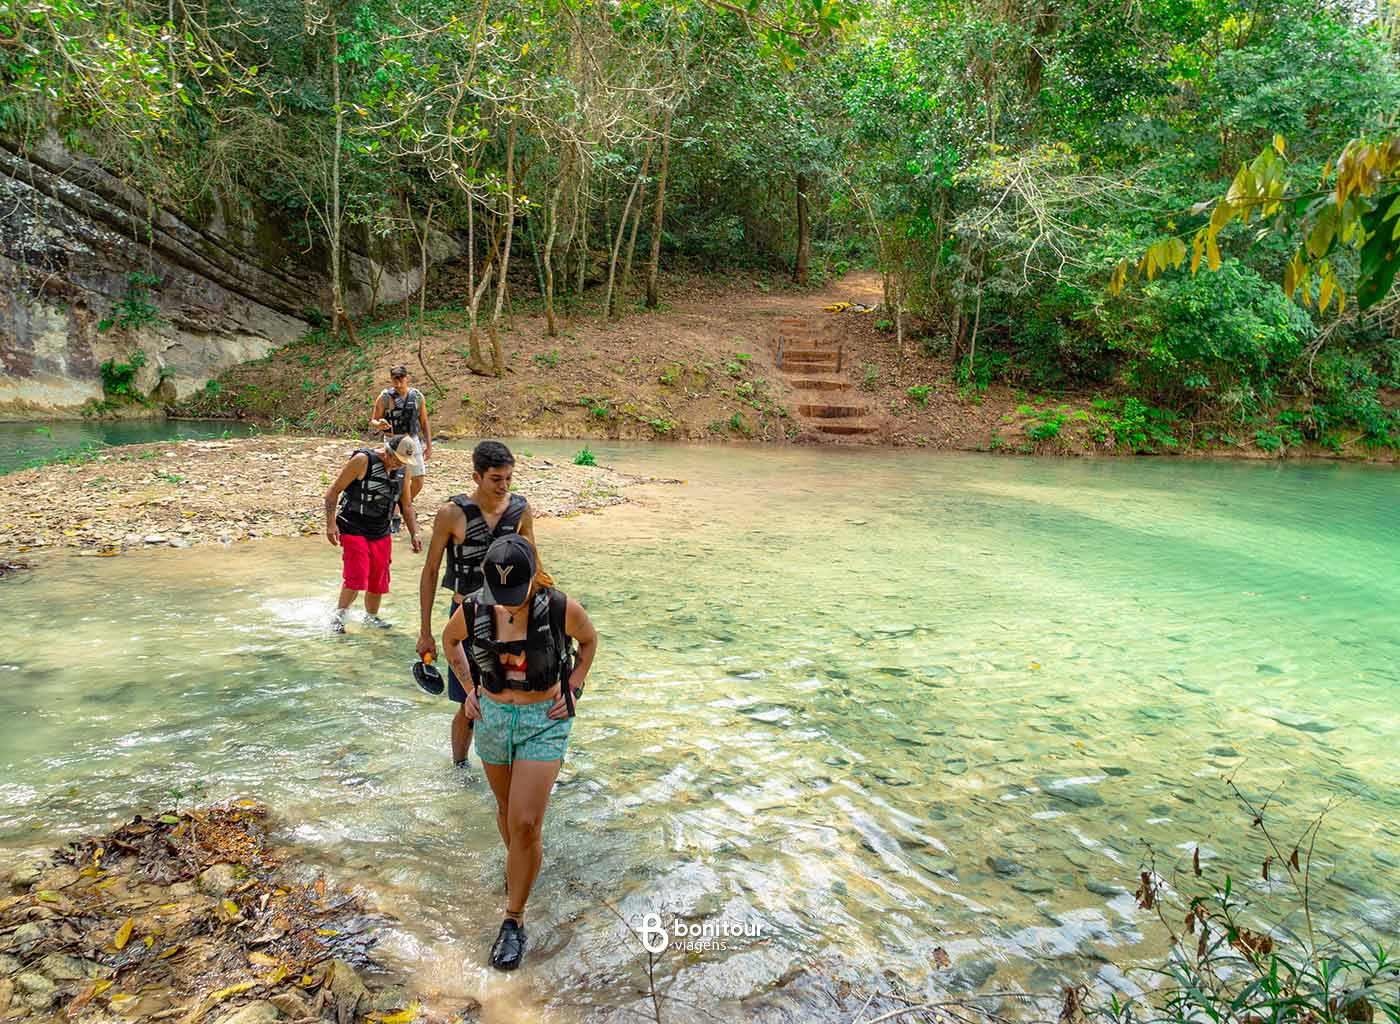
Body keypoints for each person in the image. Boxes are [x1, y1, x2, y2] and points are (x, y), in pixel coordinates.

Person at [442, 533, 597, 971]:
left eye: (516, 592)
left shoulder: (562, 608)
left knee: (525, 822)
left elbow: (589, 642)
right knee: (507, 810)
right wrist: (469, 689)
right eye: (501, 593)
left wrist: (574, 686)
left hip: (543, 720)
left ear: (534, 576)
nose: (507, 603)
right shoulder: (473, 608)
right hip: (493, 717)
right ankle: (522, 866)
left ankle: (514, 918)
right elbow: (450, 641)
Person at [417, 441, 539, 767]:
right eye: (496, 479)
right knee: (469, 702)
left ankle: (512, 761)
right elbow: (430, 571)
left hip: (512, 617)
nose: (504, 486)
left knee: (516, 696)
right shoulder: (451, 514)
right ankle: (459, 766)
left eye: (508, 478)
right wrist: (426, 632)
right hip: (466, 619)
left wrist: (544, 615)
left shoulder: (520, 510)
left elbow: (534, 564)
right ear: (476, 477)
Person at [324, 434, 423, 633]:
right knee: (357, 575)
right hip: (353, 525)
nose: (399, 465)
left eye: (404, 462)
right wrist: (330, 524)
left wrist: (415, 533)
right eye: (397, 460)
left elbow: (406, 505)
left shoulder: (403, 470)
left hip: (380, 529)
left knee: (379, 576)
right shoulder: (362, 460)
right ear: (387, 452)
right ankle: (339, 616)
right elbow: (333, 492)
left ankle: (371, 617)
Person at [370, 366, 431, 505]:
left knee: (418, 478)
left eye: (400, 380)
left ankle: (402, 504)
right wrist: (379, 425)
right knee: (394, 476)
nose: (397, 384)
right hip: (392, 441)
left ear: (407, 378)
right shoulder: (384, 398)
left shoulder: (417, 397)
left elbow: (424, 421)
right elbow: (374, 420)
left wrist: (428, 445)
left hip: (411, 439)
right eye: (394, 380)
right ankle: (393, 507)